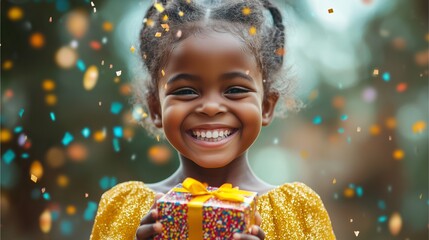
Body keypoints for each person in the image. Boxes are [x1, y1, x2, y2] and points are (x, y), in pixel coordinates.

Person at [90, 0, 336, 239]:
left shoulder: (297, 211)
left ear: (266, 106)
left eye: (235, 90)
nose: (210, 107)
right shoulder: (123, 208)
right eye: (185, 91)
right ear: (156, 108)